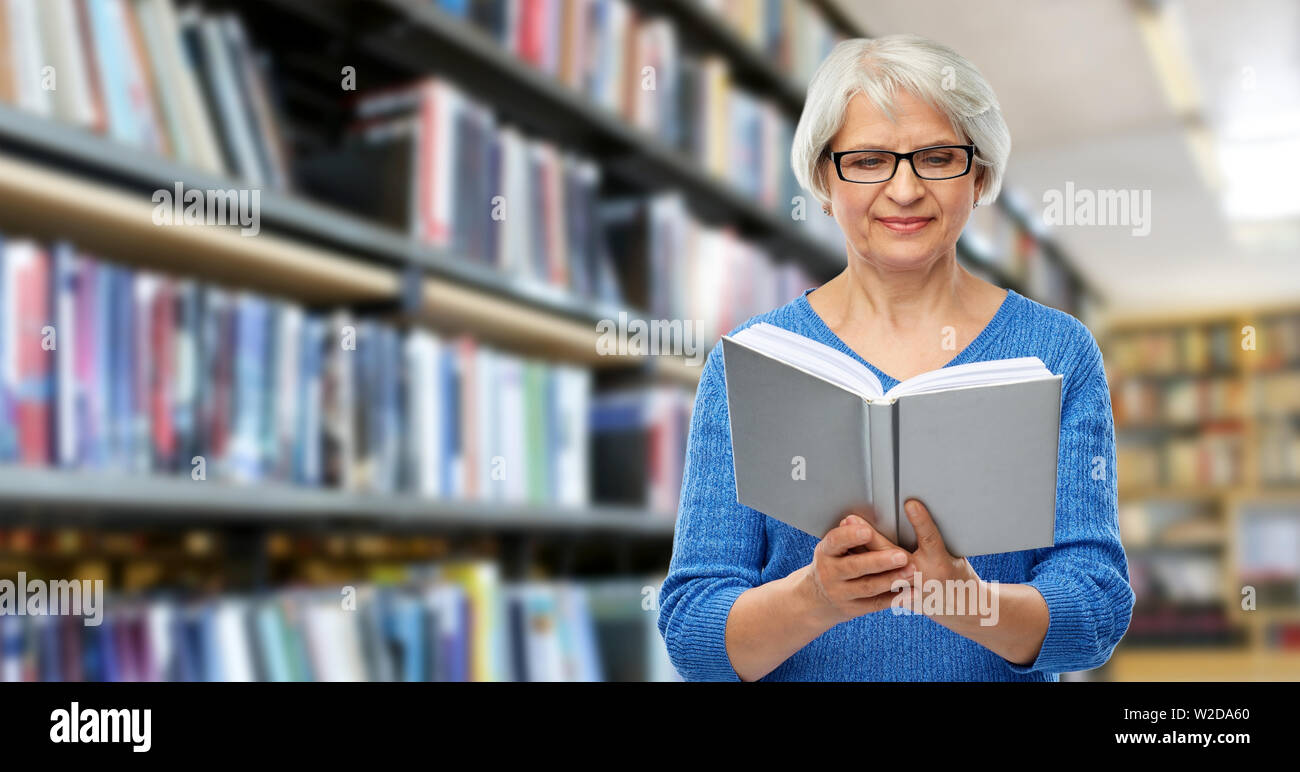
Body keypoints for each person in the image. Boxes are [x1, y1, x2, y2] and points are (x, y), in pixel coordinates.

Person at [656, 34, 1134, 681]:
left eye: (937, 158)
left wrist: (963, 601)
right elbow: (692, 634)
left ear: (981, 173)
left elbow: (1096, 612)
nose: (904, 190)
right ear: (825, 177)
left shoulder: (1058, 352)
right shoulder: (751, 361)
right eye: (869, 160)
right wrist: (815, 598)